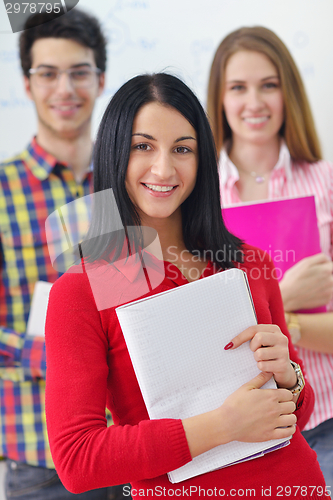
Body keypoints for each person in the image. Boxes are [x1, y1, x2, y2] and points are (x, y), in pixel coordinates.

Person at [44, 72, 329, 499]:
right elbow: (78, 459)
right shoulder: (83, 290)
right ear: (114, 152)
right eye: (143, 146)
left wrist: (288, 376)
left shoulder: (249, 263)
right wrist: (222, 426)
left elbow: (295, 420)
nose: (164, 168)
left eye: (183, 149)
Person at [0, 7, 128, 500]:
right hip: (43, 462)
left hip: (133, 442)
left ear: (101, 80)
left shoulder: (135, 183)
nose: (65, 89)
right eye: (48, 74)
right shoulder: (4, 188)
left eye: (78, 72)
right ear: (27, 85)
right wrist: (61, 355)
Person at [207, 26, 333, 487]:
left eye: (269, 85)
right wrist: (287, 295)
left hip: (325, 422)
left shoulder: (326, 183)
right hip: (232, 432)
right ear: (219, 98)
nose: (254, 102)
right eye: (238, 87)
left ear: (288, 93)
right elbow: (206, 332)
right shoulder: (196, 197)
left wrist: (285, 319)